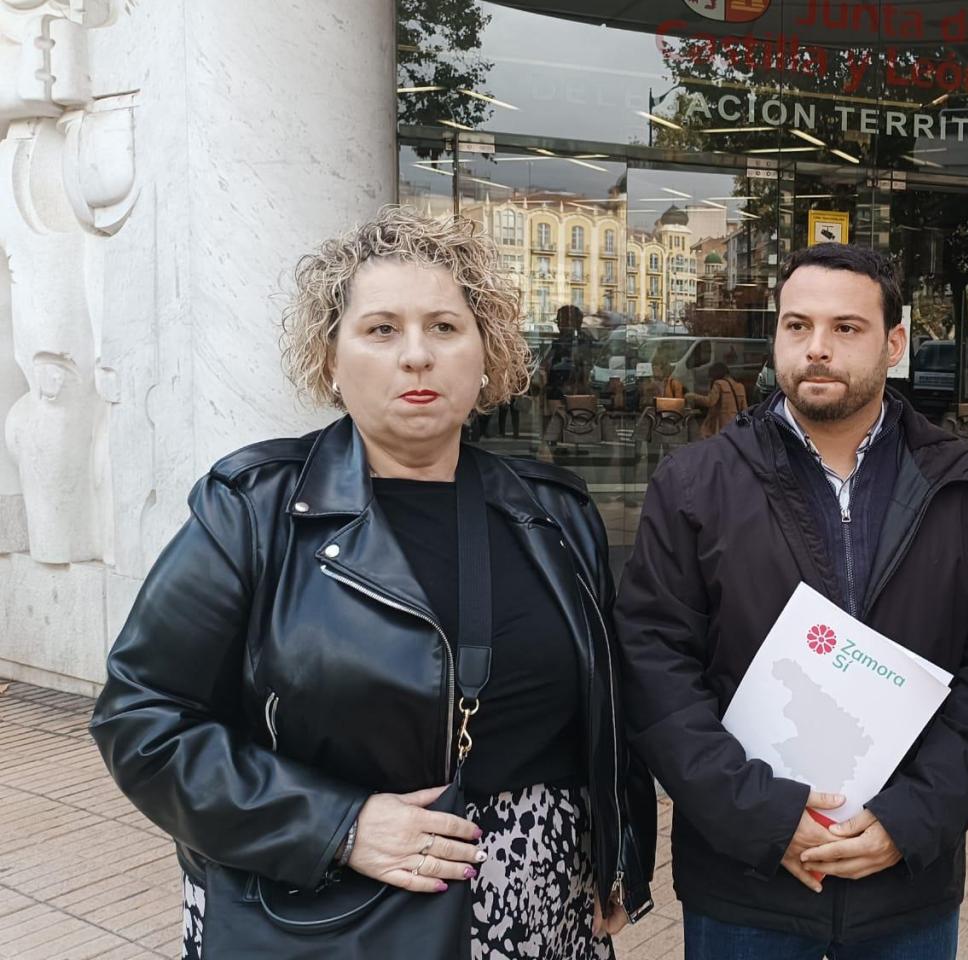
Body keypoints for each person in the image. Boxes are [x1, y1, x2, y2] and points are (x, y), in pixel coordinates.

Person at [89, 208, 655, 958]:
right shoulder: (254, 508)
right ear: (330, 357)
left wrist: (620, 859)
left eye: (445, 328)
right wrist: (338, 824)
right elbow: (141, 718)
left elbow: (608, 710)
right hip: (324, 906)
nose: (415, 356)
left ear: (487, 354)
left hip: (540, 900)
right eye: (382, 329)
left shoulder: (551, 511)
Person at [616, 242, 968, 959]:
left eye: (846, 328)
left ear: (894, 342)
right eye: (796, 325)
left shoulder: (963, 488)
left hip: (906, 882)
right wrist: (763, 819)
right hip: (746, 881)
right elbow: (655, 672)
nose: (817, 348)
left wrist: (913, 817)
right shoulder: (694, 486)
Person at [689, 360, 748, 437]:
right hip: (735, 424)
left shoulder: (719, 384)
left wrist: (693, 396)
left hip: (721, 424)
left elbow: (710, 401)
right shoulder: (740, 386)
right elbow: (745, 408)